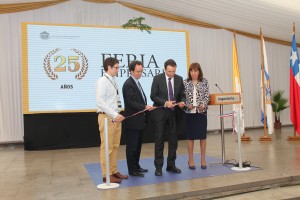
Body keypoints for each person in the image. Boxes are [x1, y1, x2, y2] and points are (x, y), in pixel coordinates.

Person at [150, 59, 186, 176]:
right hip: (160, 113)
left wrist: (182, 102)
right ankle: (158, 167)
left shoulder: (179, 79)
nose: (171, 74)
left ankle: (171, 165)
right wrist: (165, 102)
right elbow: (153, 96)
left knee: (173, 141)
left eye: (174, 71)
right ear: (165, 69)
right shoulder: (157, 79)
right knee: (159, 140)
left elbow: (182, 95)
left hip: (174, 114)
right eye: (169, 71)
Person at [96, 57, 128, 183]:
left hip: (116, 117)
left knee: (115, 146)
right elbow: (100, 102)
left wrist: (118, 114)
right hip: (107, 118)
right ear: (108, 67)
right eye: (116, 67)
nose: (118, 70)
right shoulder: (102, 81)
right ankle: (106, 174)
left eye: (118, 67)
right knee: (107, 147)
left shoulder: (114, 80)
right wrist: (115, 115)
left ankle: (114, 171)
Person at [122, 60, 155, 177]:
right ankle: (132, 170)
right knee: (132, 147)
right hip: (132, 121)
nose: (140, 73)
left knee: (137, 146)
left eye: (141, 71)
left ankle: (136, 166)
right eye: (137, 71)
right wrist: (145, 107)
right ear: (131, 71)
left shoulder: (136, 82)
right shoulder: (128, 84)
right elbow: (131, 102)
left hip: (139, 121)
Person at [183, 62, 210, 169]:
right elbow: (182, 97)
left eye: (196, 71)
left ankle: (203, 160)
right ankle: (191, 159)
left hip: (201, 113)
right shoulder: (185, 82)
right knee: (190, 137)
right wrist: (186, 104)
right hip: (189, 113)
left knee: (202, 137)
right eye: (192, 71)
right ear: (189, 72)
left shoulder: (204, 82)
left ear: (199, 72)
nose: (193, 73)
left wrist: (203, 105)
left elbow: (207, 96)